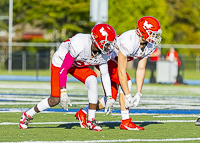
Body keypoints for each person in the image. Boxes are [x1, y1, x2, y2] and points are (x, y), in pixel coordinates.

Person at [19, 23, 117, 131]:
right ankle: (28, 114)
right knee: (55, 99)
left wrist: (109, 96)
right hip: (61, 63)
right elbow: (64, 69)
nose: (109, 47)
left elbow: (105, 74)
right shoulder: (79, 43)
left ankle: (91, 120)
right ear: (96, 39)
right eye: (107, 44)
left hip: (78, 64)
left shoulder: (103, 52)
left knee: (92, 80)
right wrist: (63, 92)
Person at [75, 16, 162, 130]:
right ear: (143, 31)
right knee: (127, 83)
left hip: (115, 62)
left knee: (110, 99)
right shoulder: (130, 40)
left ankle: (83, 112)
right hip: (107, 59)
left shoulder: (149, 45)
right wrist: (128, 94)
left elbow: (141, 69)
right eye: (152, 33)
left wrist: (139, 92)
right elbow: (121, 71)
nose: (154, 36)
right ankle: (125, 121)